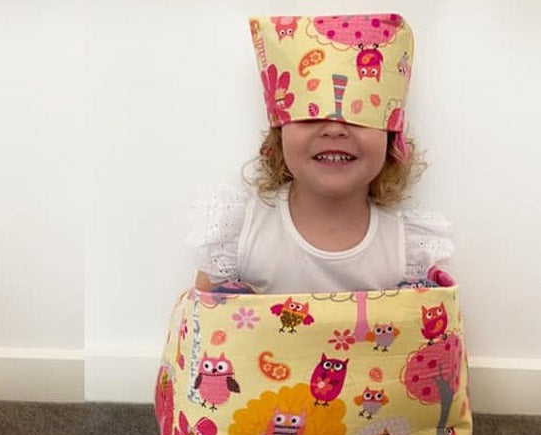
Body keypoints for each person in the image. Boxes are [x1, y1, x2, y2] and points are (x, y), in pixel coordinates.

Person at [188, 13, 452, 295]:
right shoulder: (241, 236)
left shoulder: (405, 252)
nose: (335, 129)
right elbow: (201, 327)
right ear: (279, 135)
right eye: (310, 114)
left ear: (390, 137)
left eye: (358, 115)